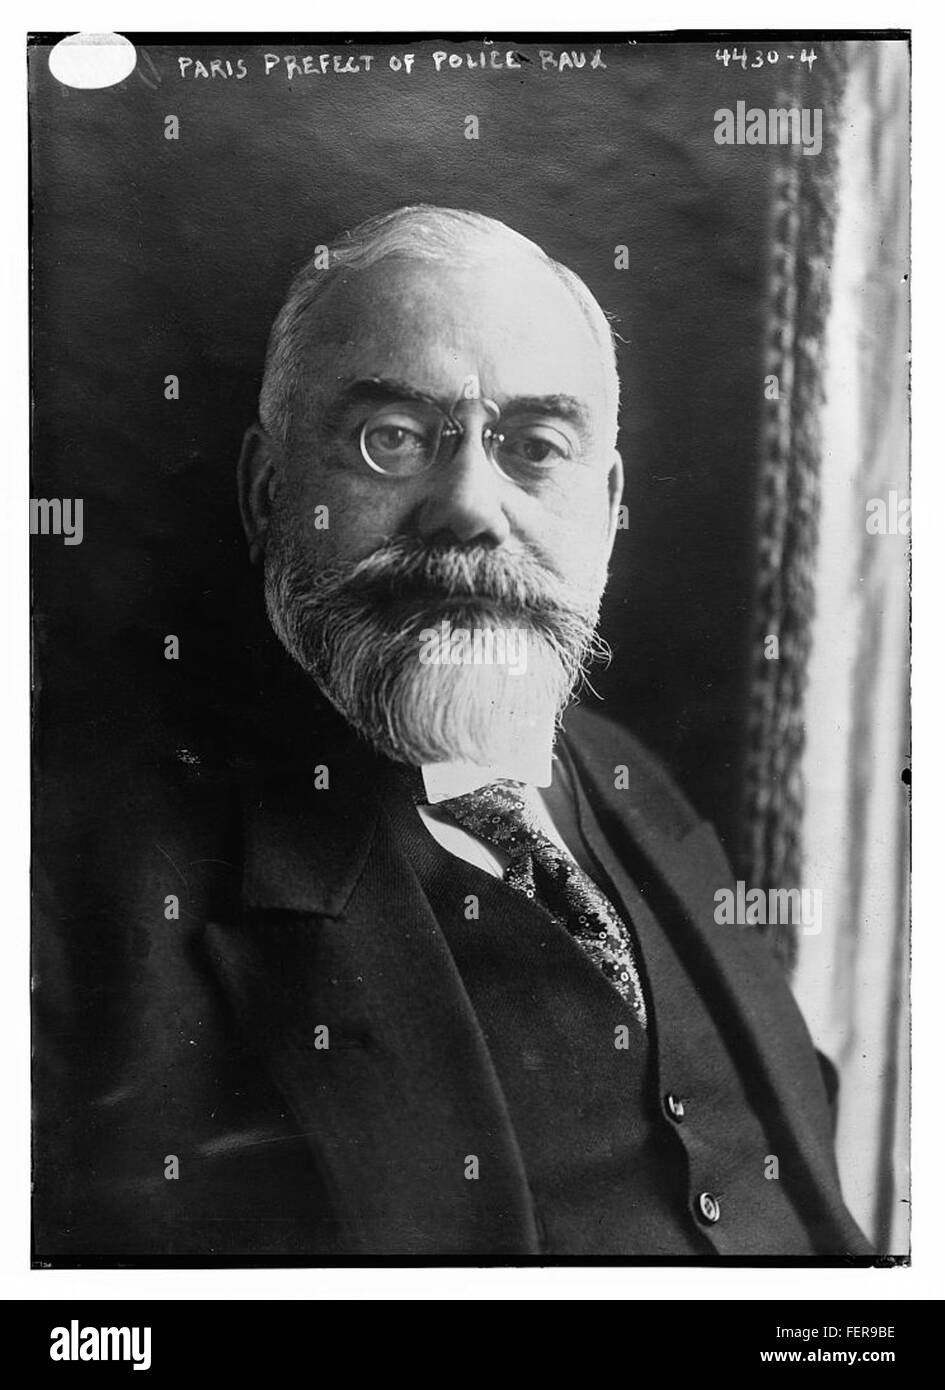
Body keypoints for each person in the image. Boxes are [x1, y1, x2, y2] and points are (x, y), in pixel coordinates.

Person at [32, 206, 871, 1262]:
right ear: (265, 494)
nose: (469, 504)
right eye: (392, 439)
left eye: (535, 447)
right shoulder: (77, 893)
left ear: (607, 507)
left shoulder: (638, 782)